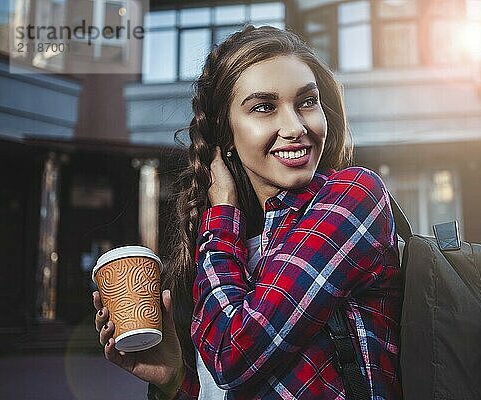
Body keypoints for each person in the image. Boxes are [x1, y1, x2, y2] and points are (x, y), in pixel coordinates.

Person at [93, 25, 401, 399]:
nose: (295, 127)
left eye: (307, 101)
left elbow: (231, 353)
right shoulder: (230, 244)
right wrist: (175, 379)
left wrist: (222, 212)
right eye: (264, 107)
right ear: (227, 132)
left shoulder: (353, 195)